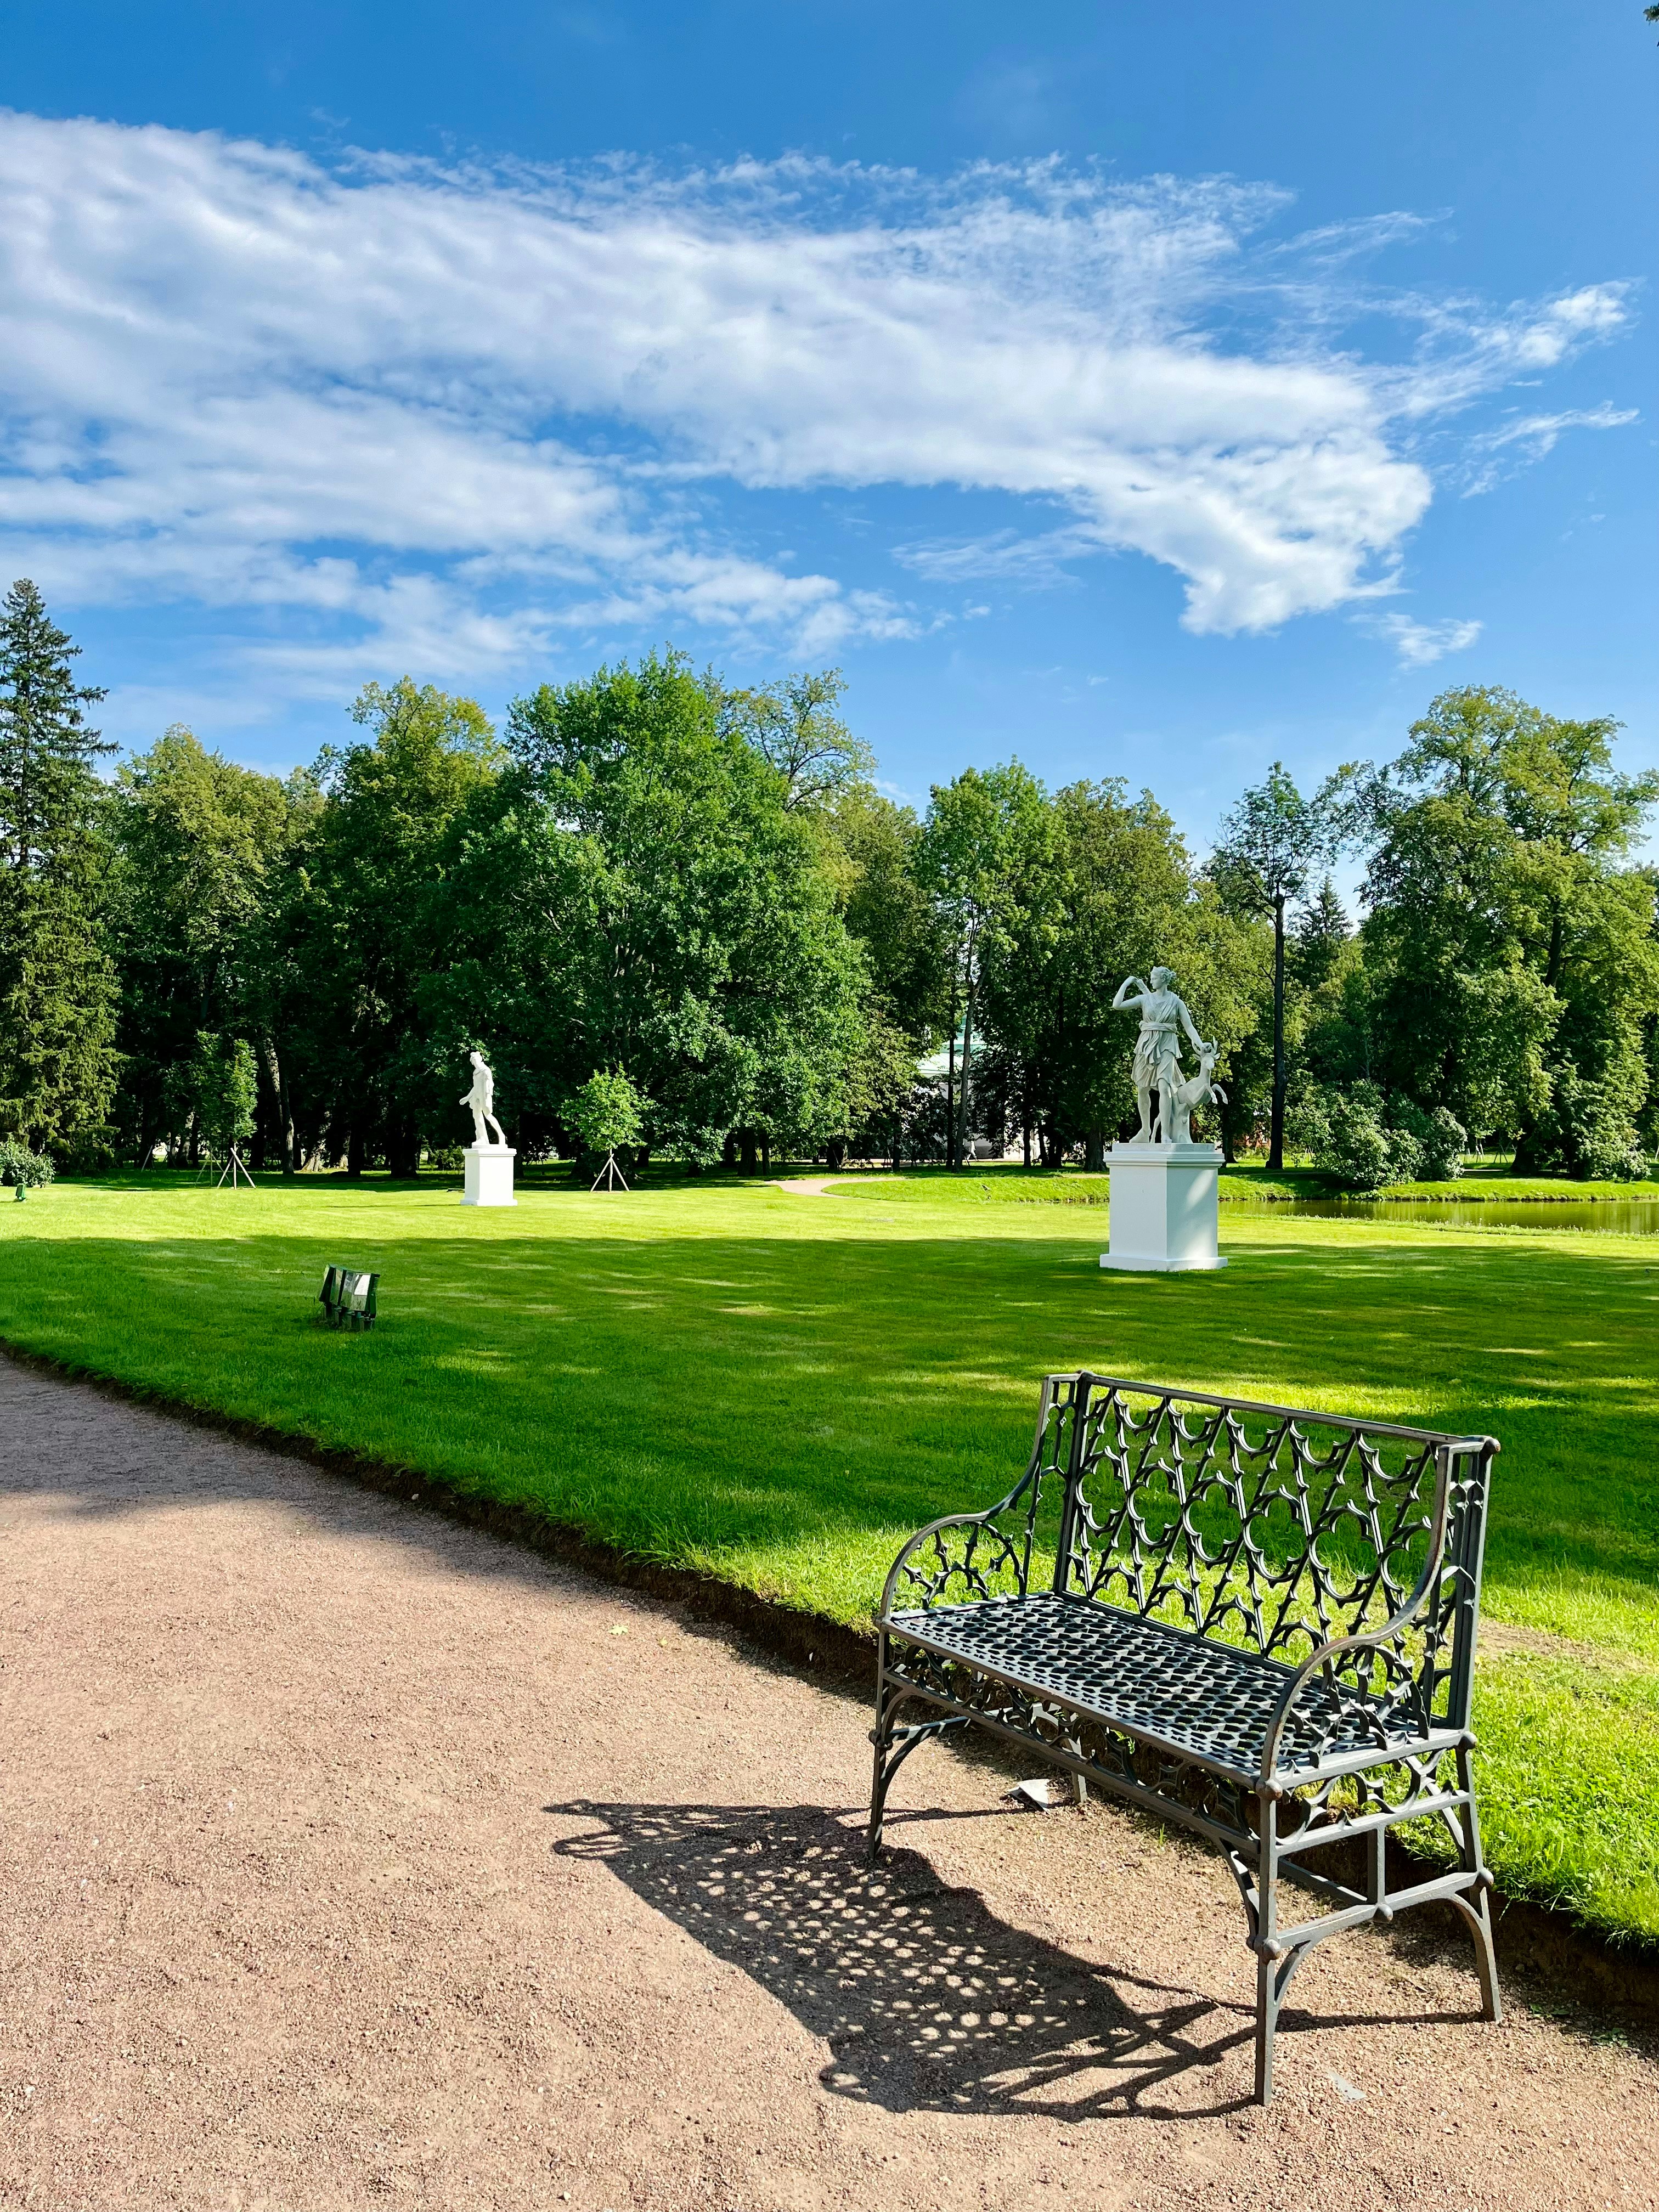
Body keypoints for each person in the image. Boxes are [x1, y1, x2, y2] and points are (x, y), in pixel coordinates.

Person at [1111, 969, 1211, 1145]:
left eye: (1154, 978)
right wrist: (1127, 983)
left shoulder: (1176, 1002)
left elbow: (1189, 1027)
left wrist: (1201, 1044)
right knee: (1142, 1089)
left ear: (1164, 980)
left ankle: (1165, 1134)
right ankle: (1145, 1130)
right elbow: (1117, 1005)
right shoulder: (1145, 999)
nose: (1151, 982)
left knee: (1165, 1087)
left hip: (1167, 1044)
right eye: (1150, 978)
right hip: (1146, 1045)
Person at [461, 1051, 507, 1148]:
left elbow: (489, 1085)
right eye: (473, 1061)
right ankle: (482, 1138)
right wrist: (468, 1097)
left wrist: (488, 1097)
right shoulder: (475, 1073)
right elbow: (476, 1087)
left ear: (481, 1059)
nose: (475, 1062)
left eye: (476, 1059)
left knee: (488, 1116)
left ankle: (501, 1135)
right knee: (477, 1118)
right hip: (476, 1097)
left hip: (484, 1096)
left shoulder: (486, 1070)